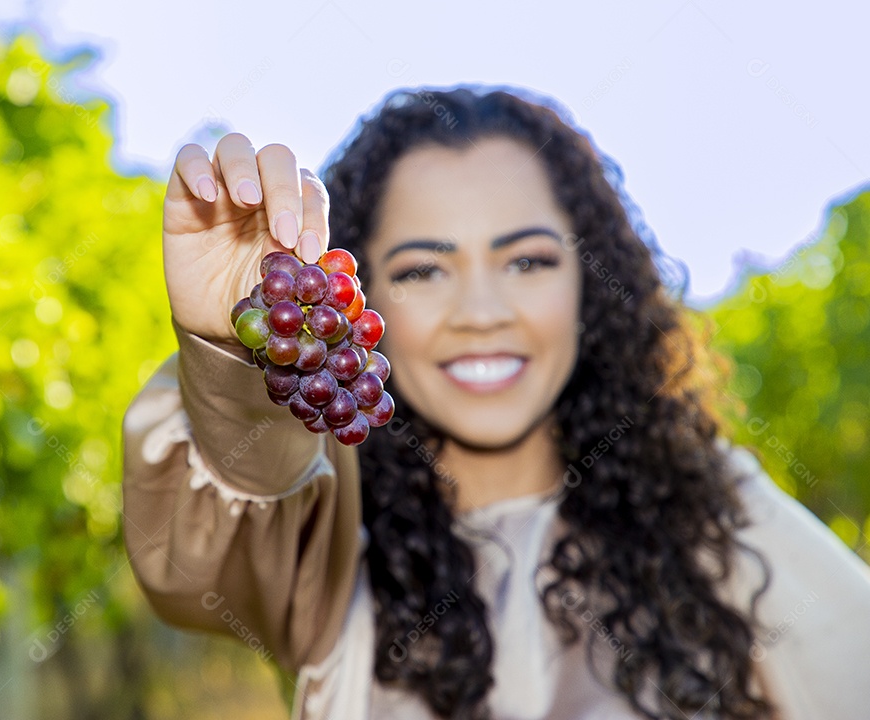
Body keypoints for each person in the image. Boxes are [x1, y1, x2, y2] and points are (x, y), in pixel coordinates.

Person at [121, 85, 870, 719]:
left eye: (527, 260)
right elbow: (198, 548)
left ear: (589, 285)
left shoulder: (716, 515)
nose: (481, 309)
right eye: (422, 270)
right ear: (356, 294)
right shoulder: (333, 548)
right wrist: (242, 345)